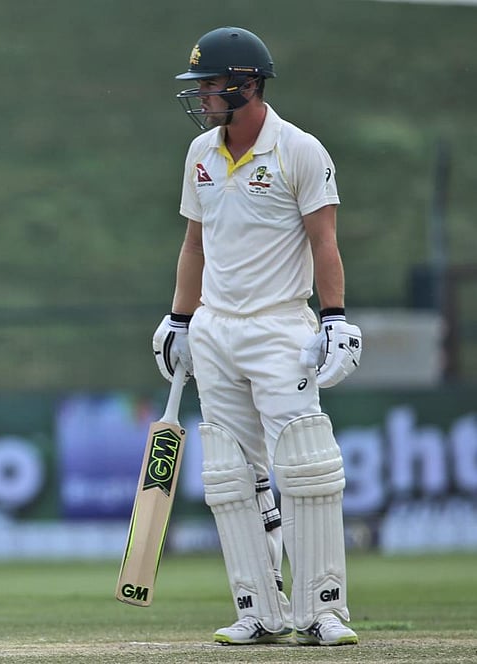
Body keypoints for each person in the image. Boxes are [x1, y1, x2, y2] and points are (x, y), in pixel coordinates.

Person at [152, 27, 362, 647]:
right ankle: (258, 610)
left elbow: (325, 242)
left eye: (211, 86)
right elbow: (194, 245)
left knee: (305, 465)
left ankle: (322, 609)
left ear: (246, 85)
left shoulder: (299, 150)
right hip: (216, 329)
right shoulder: (199, 154)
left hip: (279, 326)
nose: (202, 97)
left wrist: (335, 316)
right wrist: (180, 319)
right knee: (229, 475)